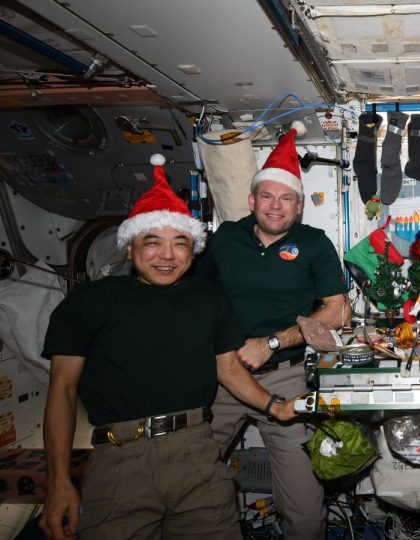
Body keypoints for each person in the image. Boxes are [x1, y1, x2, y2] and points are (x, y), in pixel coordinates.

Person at [39, 155, 298, 540]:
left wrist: (275, 406)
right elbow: (62, 389)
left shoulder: (210, 300)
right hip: (120, 459)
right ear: (129, 248)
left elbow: (228, 370)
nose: (167, 255)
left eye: (180, 243)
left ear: (193, 251)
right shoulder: (89, 302)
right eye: (152, 242)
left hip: (197, 452)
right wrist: (58, 481)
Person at [194, 121, 349, 540]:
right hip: (222, 379)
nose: (276, 206)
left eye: (286, 198)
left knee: (304, 508)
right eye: (267, 196)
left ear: (299, 206)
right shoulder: (224, 238)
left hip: (287, 377)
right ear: (252, 200)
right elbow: (192, 294)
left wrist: (272, 343)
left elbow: (337, 311)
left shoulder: (315, 243)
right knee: (188, 481)